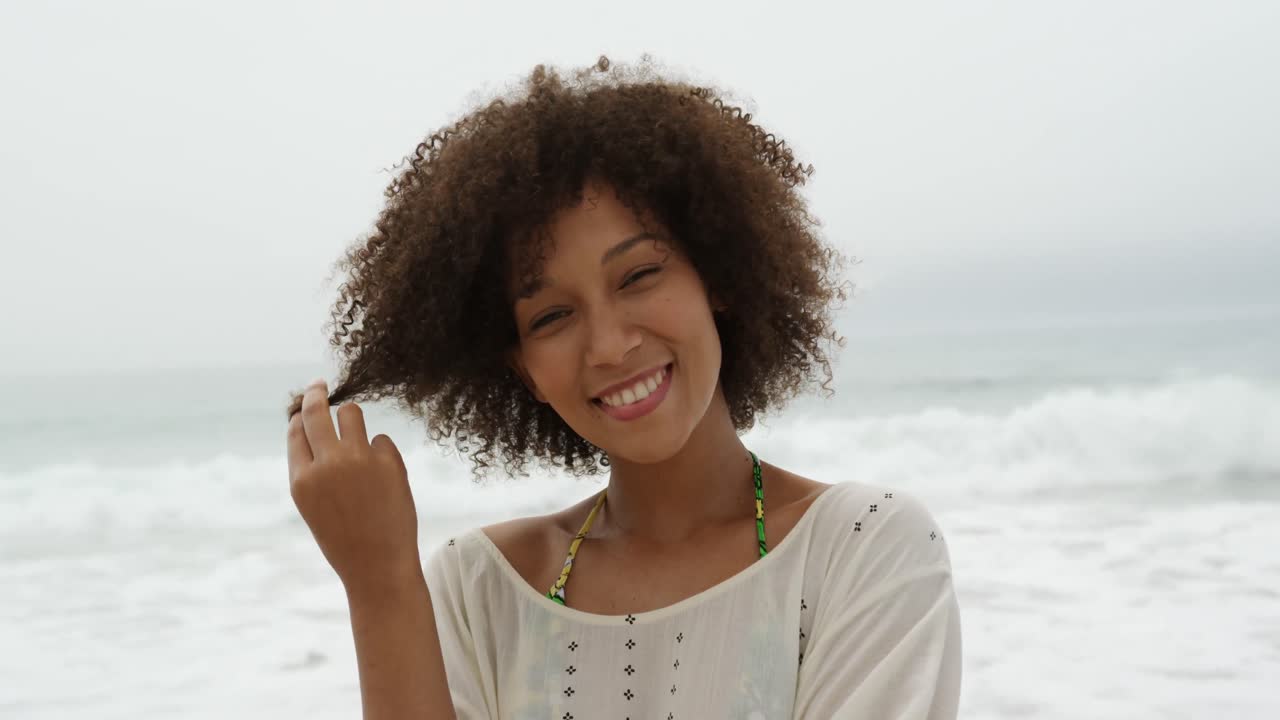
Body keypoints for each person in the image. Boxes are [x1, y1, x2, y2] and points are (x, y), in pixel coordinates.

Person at [285, 55, 961, 719]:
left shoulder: (865, 549)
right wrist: (379, 585)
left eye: (638, 275)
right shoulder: (478, 590)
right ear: (523, 370)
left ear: (717, 276)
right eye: (552, 316)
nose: (609, 346)